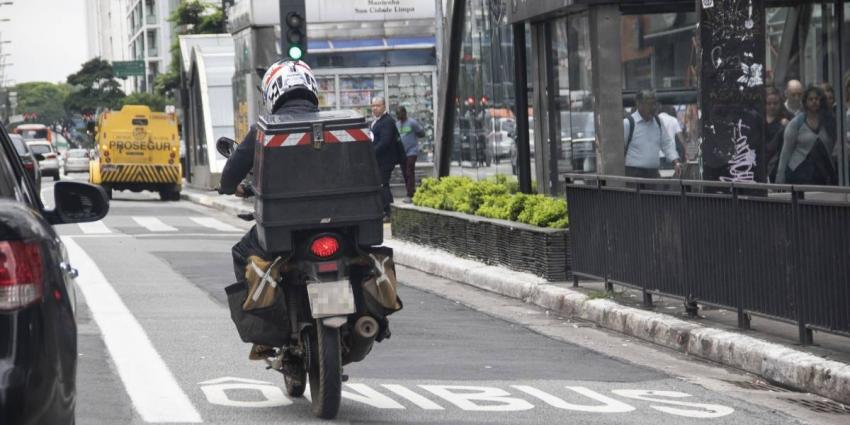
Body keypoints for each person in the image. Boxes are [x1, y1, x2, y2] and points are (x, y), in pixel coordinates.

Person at [219, 59, 321, 283]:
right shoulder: (338, 126)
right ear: (311, 86)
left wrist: (229, 188)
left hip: (282, 226)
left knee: (241, 253)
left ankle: (262, 317)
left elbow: (229, 177)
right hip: (344, 224)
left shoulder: (262, 131)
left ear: (273, 92)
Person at [776, 86, 837, 185]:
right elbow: (786, 151)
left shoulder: (828, 122)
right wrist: (780, 176)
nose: (814, 102)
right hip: (799, 173)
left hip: (823, 174)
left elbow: (833, 145)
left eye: (816, 99)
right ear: (805, 102)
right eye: (811, 99)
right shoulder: (797, 122)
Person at [623, 90, 681, 179]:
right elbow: (621, 149)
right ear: (639, 104)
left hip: (653, 173)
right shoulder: (628, 123)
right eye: (649, 104)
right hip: (634, 174)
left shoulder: (658, 122)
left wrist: (675, 162)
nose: (653, 108)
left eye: (655, 104)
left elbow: (667, 144)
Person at [369, 96, 406, 219]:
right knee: (383, 184)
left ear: (384, 106)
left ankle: (387, 212)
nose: (375, 108)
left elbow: (385, 142)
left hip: (385, 160)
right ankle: (388, 208)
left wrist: (371, 152)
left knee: (382, 183)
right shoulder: (377, 121)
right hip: (380, 160)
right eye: (373, 106)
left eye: (378, 105)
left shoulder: (387, 121)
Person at [395, 106, 425, 201]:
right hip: (402, 153)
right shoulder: (397, 125)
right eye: (397, 114)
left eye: (399, 113)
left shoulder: (412, 122)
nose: (398, 116)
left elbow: (422, 133)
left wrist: (417, 134)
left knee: (409, 171)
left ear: (404, 113)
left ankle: (410, 194)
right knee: (405, 173)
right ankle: (412, 191)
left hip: (412, 151)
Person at [764, 86, 790, 182]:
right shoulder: (759, 119)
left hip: (777, 163)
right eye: (768, 104)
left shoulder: (787, 119)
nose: (772, 106)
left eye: (775, 103)